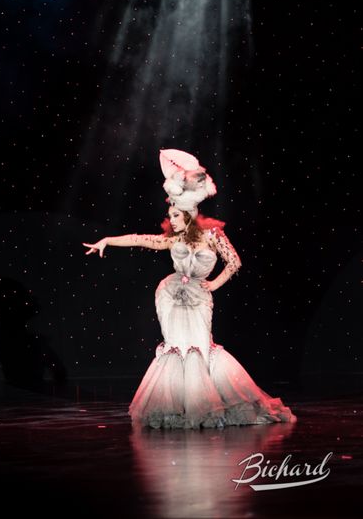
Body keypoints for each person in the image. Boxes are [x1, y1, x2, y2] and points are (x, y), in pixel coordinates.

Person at [83, 148, 297, 430]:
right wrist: (108, 240)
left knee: (200, 348)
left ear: (186, 213)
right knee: (177, 348)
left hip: (199, 296)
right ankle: (179, 407)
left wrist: (213, 285)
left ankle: (208, 405)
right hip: (171, 295)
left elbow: (234, 262)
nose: (170, 219)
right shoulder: (171, 239)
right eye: (170, 214)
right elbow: (139, 239)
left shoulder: (213, 235)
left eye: (174, 214)